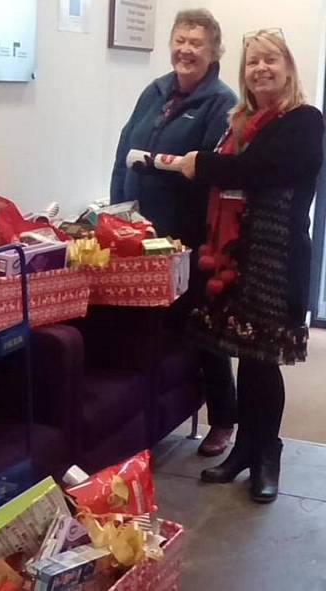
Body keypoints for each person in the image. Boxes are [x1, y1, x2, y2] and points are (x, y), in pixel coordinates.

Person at [179, 29, 324, 503]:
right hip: (235, 252)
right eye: (252, 62)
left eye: (270, 60)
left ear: (288, 67)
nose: (260, 69)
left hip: (276, 257)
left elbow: (255, 171)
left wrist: (200, 163)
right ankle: (244, 450)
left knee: (265, 361)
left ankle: (267, 456)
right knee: (246, 355)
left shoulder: (304, 120)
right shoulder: (239, 121)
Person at [110, 9, 238, 456]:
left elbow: (212, 171)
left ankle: (223, 419)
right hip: (138, 237)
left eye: (196, 43)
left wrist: (163, 165)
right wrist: (115, 215)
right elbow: (124, 149)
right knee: (149, 329)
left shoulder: (222, 102)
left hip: (188, 239)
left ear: (214, 51)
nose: (185, 50)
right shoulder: (156, 90)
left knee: (202, 330)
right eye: (180, 40)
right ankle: (151, 417)